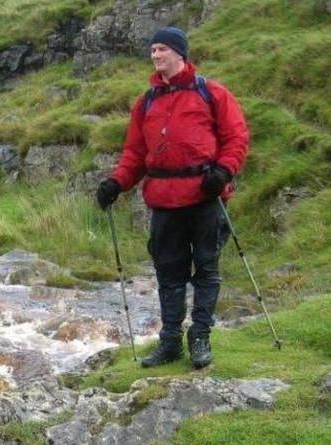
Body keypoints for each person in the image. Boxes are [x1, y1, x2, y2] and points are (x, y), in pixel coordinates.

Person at [95, 27, 249, 368]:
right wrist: (116, 183)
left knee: (207, 269)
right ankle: (170, 342)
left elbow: (236, 137)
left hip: (206, 196)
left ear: (180, 53)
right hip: (164, 200)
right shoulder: (146, 102)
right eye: (152, 49)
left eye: (161, 48)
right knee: (169, 273)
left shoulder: (212, 93)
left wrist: (223, 171)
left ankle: (200, 337)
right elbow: (134, 154)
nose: (155, 55)